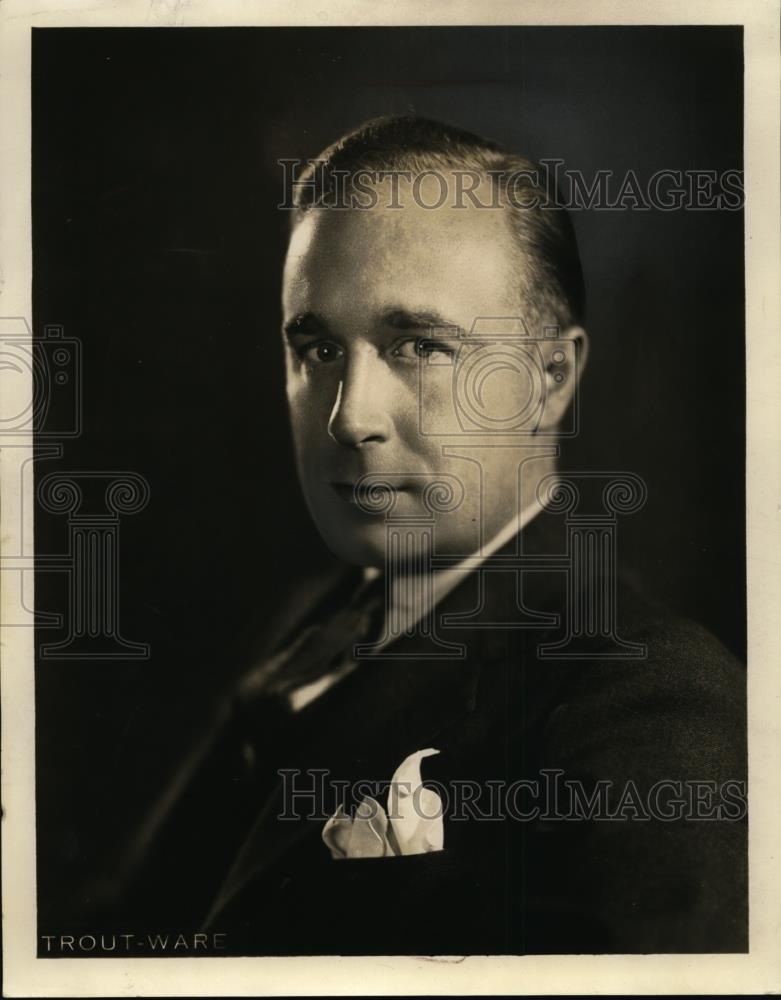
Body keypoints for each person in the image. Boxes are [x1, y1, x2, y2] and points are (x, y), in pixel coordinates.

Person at [113, 116, 747, 955]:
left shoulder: (647, 702)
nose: (350, 417)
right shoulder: (314, 622)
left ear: (550, 378)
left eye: (418, 344)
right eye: (317, 347)